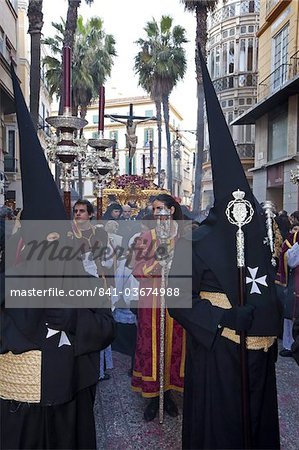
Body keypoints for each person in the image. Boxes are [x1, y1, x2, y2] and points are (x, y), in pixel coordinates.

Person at [167, 46, 281, 450]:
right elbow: (177, 302)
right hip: (219, 359)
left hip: (260, 360)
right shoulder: (191, 239)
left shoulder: (259, 231)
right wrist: (224, 319)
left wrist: (278, 303)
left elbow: (267, 281)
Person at [0, 65, 116, 450]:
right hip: (15, 408)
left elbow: (105, 327)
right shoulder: (7, 272)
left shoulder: (78, 274)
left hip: (68, 403)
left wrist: (72, 319)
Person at [129, 194, 185, 421]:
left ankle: (169, 392)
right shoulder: (146, 236)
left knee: (174, 344)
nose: (156, 212)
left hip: (176, 298)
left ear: (171, 211)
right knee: (152, 345)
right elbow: (136, 268)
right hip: (151, 300)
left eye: (160, 208)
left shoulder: (183, 236)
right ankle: (152, 397)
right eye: (154, 209)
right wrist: (156, 264)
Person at [72, 199, 114, 381]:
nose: (78, 214)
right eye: (75, 211)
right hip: (80, 285)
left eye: (81, 211)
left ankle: (101, 369)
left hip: (100, 282)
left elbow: (111, 258)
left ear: (90, 214)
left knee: (100, 322)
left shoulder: (100, 233)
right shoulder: (70, 234)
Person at [276, 226, 299, 357]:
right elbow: (291, 260)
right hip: (295, 284)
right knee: (291, 314)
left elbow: (290, 259)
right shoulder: (295, 238)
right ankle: (290, 345)